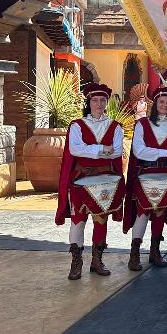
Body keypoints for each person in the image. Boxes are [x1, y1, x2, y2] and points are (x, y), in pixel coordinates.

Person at [56, 83, 126, 280]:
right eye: (95, 100)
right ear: (89, 102)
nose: (99, 103)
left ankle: (97, 260)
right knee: (78, 221)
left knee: (100, 220)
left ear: (106, 102)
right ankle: (76, 262)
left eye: (102, 100)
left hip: (105, 181)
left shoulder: (115, 126)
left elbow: (118, 151)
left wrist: (92, 149)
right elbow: (75, 149)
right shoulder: (77, 125)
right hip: (80, 180)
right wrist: (103, 150)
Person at [124, 86, 167, 270]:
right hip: (146, 173)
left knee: (160, 211)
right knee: (143, 212)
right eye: (162, 102)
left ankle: (155, 250)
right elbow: (139, 150)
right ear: (155, 103)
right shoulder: (142, 124)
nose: (165, 105)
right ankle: (134, 253)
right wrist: (166, 152)